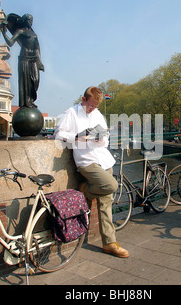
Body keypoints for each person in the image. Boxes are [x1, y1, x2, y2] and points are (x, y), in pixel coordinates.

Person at [54, 86, 129, 258]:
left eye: (96, 106)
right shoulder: (71, 113)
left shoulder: (97, 115)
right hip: (86, 161)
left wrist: (101, 138)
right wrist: (76, 138)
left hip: (104, 159)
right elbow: (58, 134)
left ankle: (109, 242)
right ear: (83, 99)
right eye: (90, 106)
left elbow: (105, 138)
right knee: (111, 185)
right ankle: (85, 190)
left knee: (106, 201)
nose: (93, 109)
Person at [0, 13, 44, 108]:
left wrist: (39, 62)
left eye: (31, 20)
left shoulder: (34, 34)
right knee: (26, 82)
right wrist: (3, 33)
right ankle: (26, 102)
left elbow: (37, 49)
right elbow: (11, 43)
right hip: (24, 59)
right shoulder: (20, 31)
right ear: (24, 21)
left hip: (33, 60)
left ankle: (31, 100)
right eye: (28, 20)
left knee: (35, 81)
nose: (30, 22)